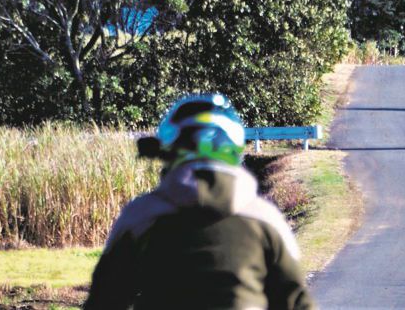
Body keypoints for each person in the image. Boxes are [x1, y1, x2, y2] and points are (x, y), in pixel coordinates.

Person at [84, 93, 316, 310]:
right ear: (233, 148)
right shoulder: (265, 218)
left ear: (170, 151)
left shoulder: (141, 215)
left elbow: (105, 300)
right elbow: (295, 300)